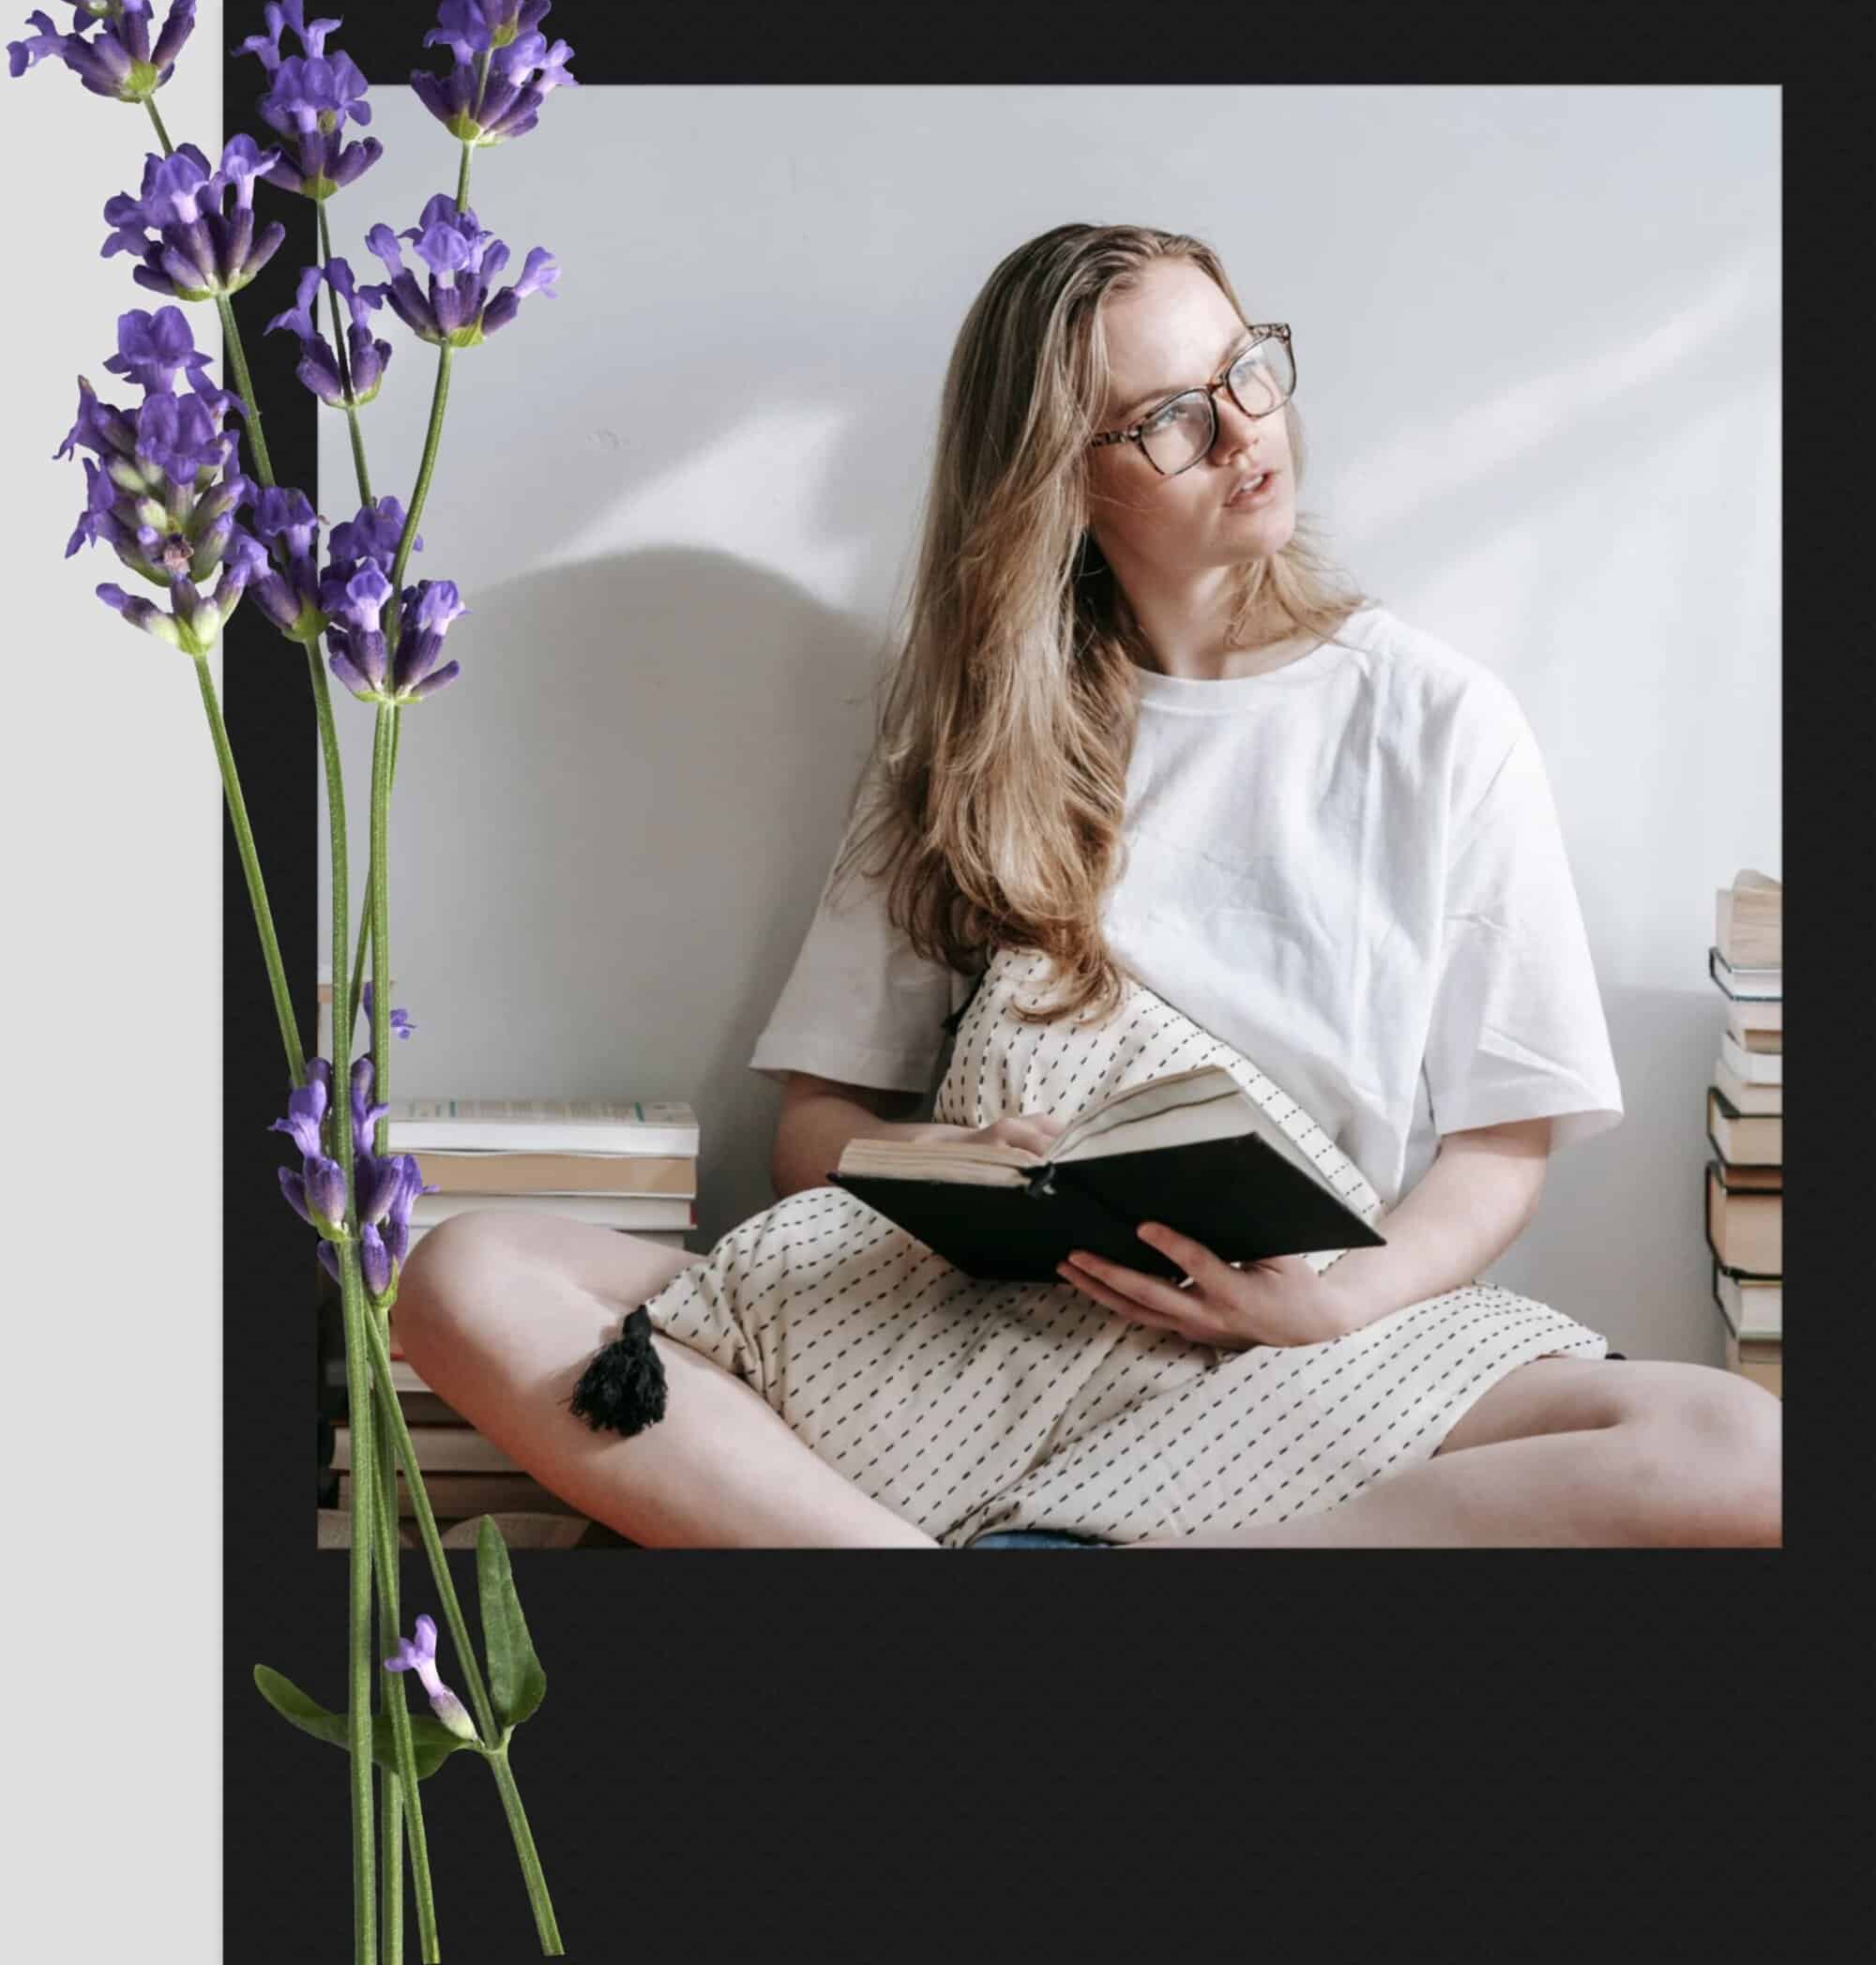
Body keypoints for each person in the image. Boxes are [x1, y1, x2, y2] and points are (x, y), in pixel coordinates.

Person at [391, 221, 1781, 1549]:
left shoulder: (1432, 720)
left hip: (1298, 1338)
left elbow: (1502, 1145)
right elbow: (816, 1129)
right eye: (1174, 416)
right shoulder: (973, 737)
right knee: (462, 1274)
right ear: (1062, 479)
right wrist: (945, 1163)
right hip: (968, 1323)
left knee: (1738, 1452)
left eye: (1248, 369)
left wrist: (1330, 1306)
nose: (1248, 430)